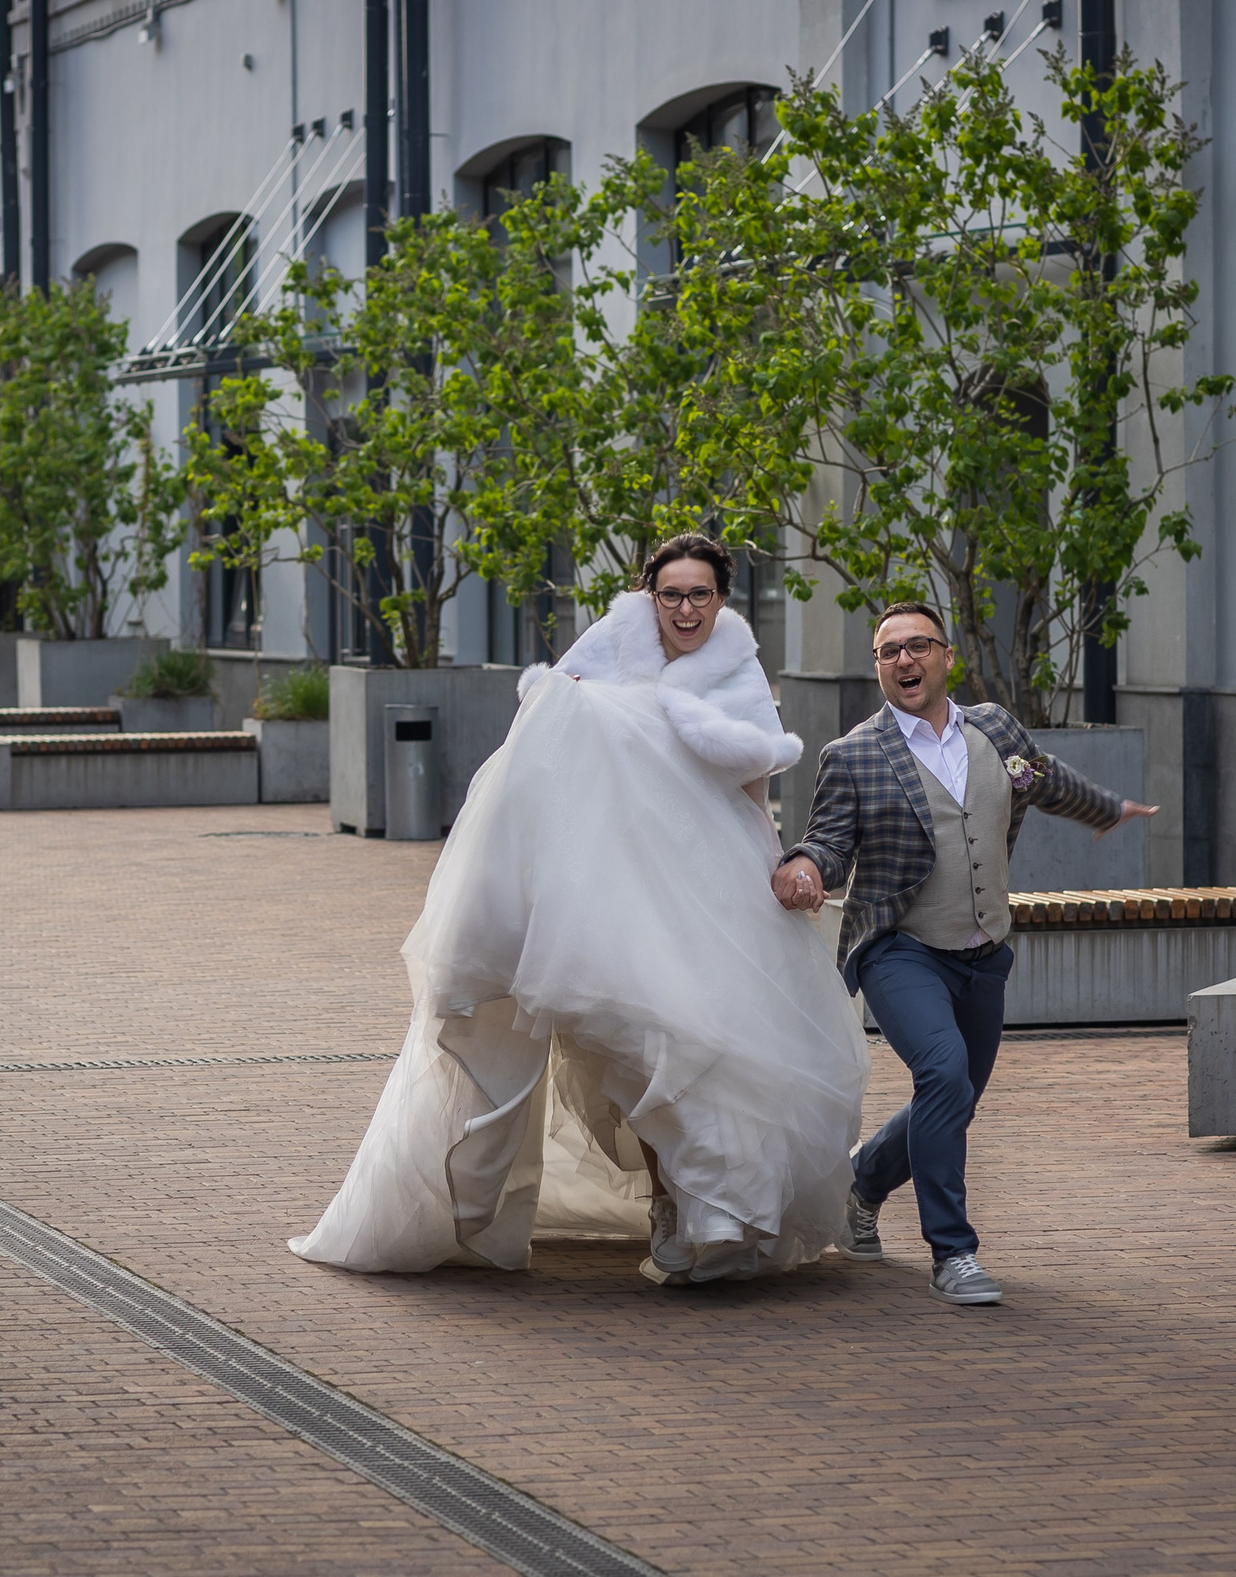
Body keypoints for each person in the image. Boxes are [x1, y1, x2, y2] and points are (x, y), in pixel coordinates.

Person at [291, 533, 868, 1286]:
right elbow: (543, 753)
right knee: (645, 1042)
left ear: (722, 599)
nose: (685, 610)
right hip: (614, 890)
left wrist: (770, 868)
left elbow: (754, 788)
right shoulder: (604, 648)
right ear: (649, 596)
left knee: (706, 1044)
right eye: (670, 594)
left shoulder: (740, 668)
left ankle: (705, 1211)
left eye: (700, 594)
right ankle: (667, 1207)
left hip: (707, 886)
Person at [772, 602, 1154, 1306]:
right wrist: (805, 867)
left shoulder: (994, 728)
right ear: (878, 669)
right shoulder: (853, 755)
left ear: (947, 657)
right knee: (944, 1074)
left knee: (954, 1098)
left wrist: (1106, 808)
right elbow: (828, 841)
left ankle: (862, 1183)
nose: (905, 660)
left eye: (919, 646)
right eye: (890, 652)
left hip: (984, 952)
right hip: (900, 948)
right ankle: (953, 1253)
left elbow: (1041, 778)